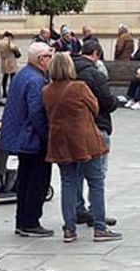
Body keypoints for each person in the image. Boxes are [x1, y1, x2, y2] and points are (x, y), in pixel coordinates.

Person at [43, 52, 113, 245]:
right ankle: (100, 228)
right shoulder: (79, 87)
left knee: (68, 183)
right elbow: (95, 107)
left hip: (60, 141)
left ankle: (69, 229)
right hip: (84, 140)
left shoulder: (47, 91)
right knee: (96, 182)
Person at [0, 42, 56, 238]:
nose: (52, 59)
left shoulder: (24, 75)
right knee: (37, 180)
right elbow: (36, 112)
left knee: (24, 180)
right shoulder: (36, 81)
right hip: (32, 140)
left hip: (21, 138)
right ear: (41, 59)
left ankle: (22, 221)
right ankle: (31, 221)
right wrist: (47, 136)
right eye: (50, 55)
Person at [69, 39, 121, 238]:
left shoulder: (68, 71)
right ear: (96, 54)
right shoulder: (94, 74)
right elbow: (108, 102)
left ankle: (78, 208)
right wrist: (115, 100)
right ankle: (96, 215)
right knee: (98, 174)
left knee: (76, 173)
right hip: (97, 127)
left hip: (73, 128)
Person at [0, 31, 22, 99]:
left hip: (3, 60)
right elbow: (13, 47)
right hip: (10, 61)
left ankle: (4, 91)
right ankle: (12, 91)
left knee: (5, 76)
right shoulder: (9, 41)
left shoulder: (0, 42)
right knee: (12, 76)